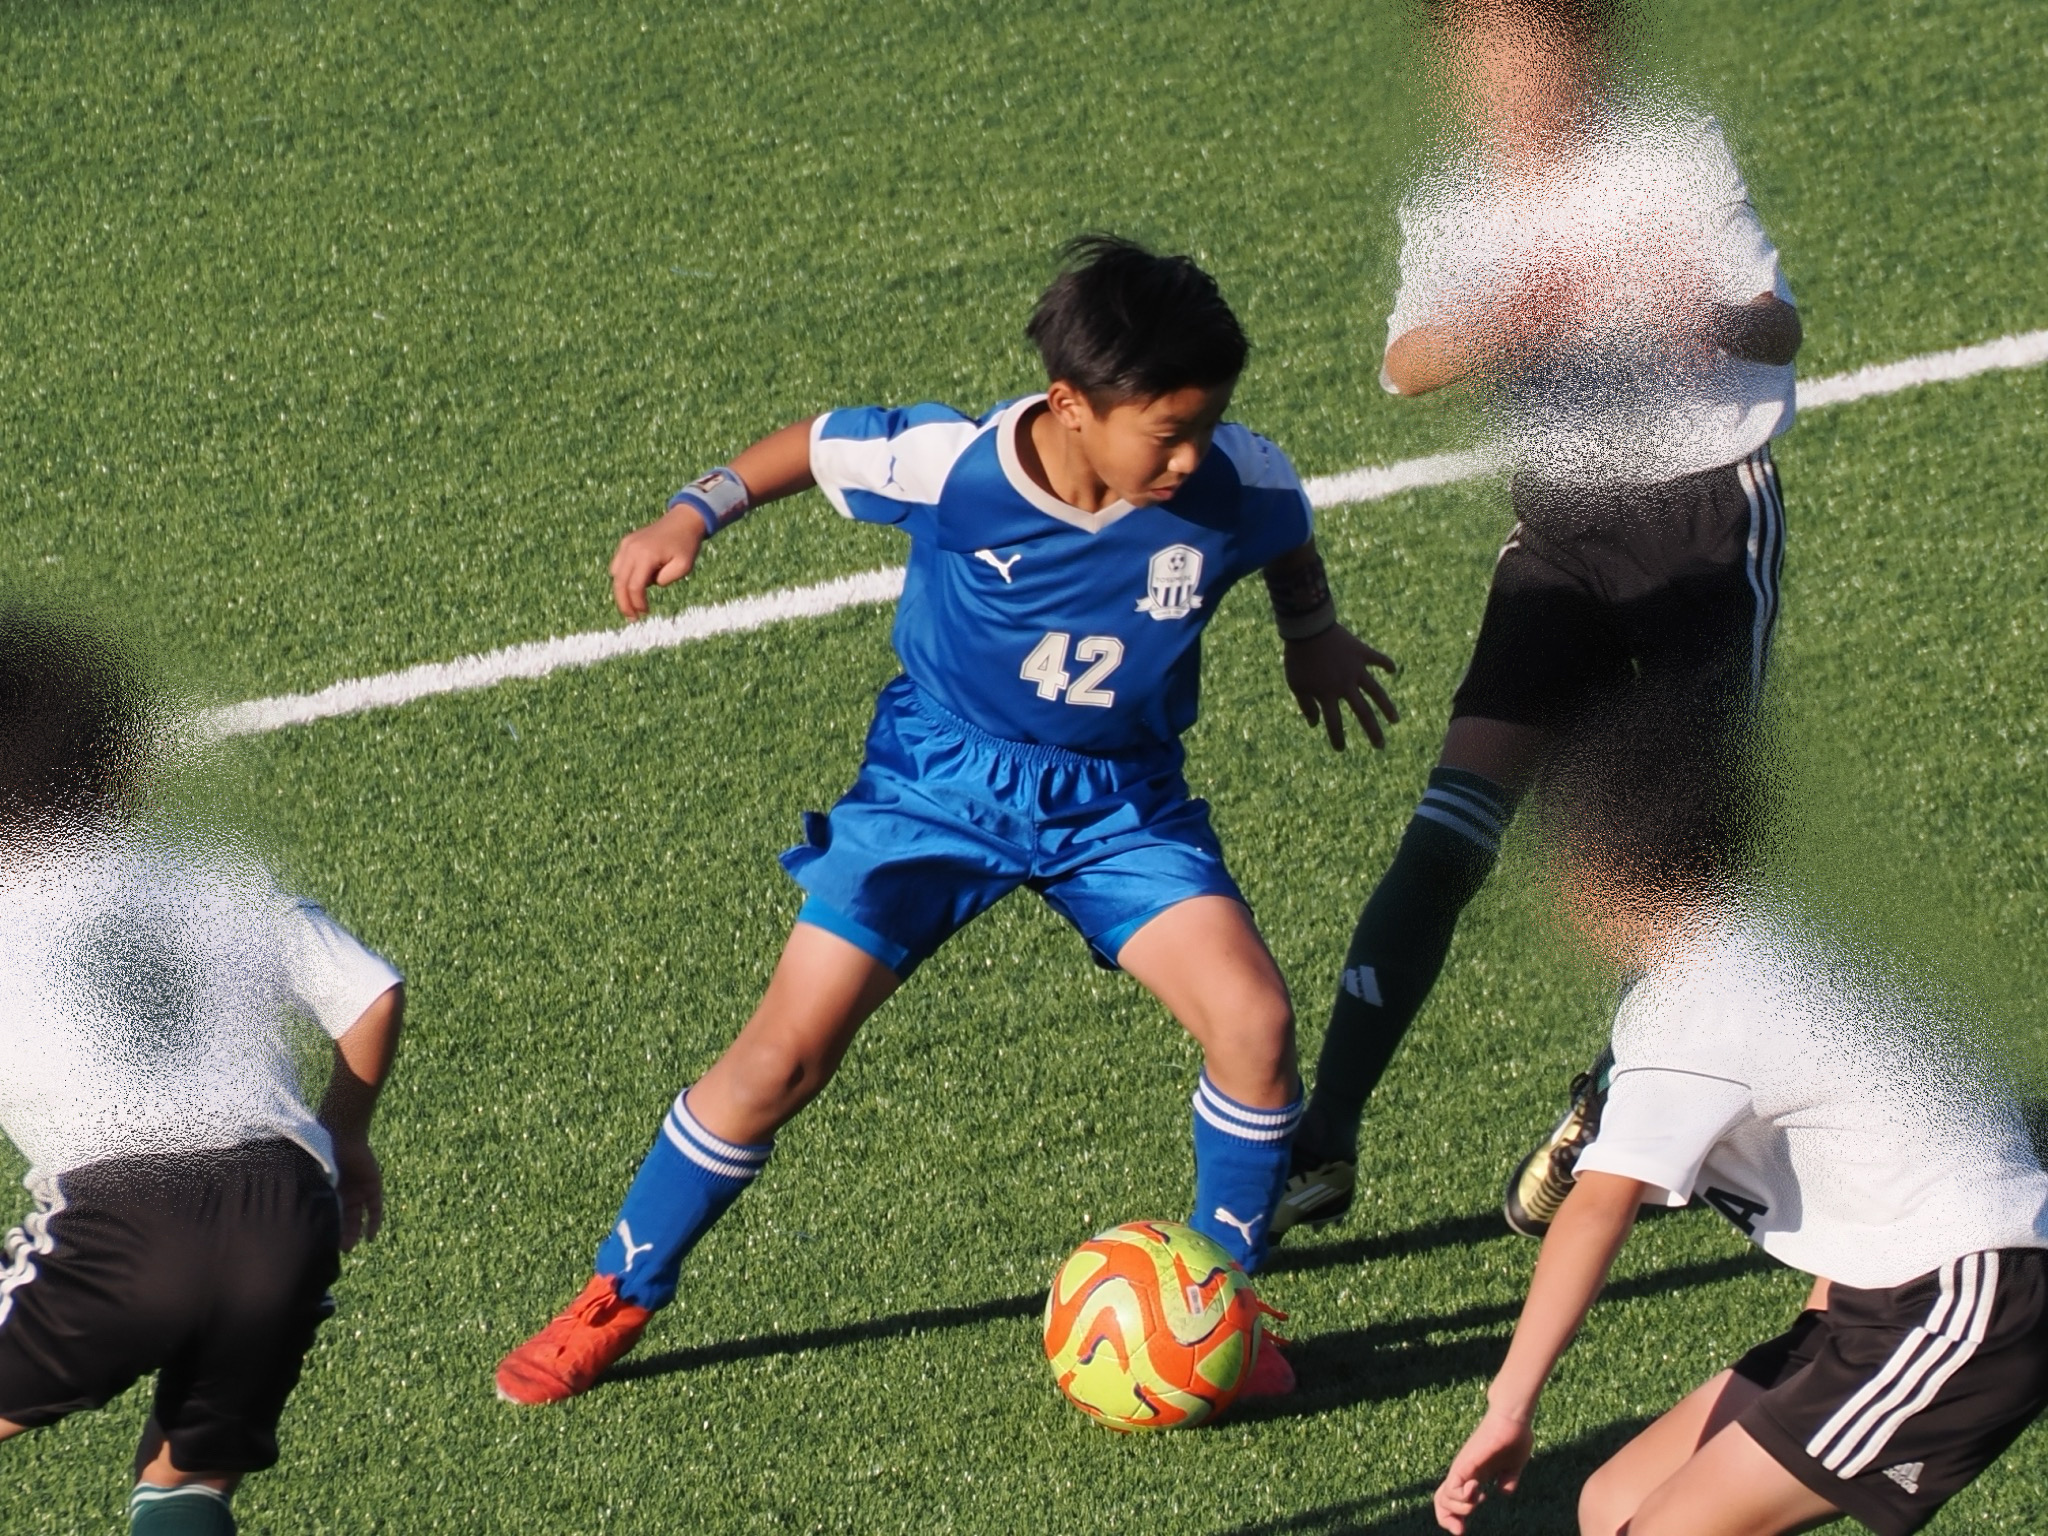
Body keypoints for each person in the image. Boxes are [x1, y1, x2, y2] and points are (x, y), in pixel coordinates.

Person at [493, 234, 1399, 1406]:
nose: (1190, 456)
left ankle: (1214, 1306)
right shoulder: (950, 465)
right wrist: (690, 514)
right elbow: (811, 446)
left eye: (1206, 426)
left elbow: (1281, 531)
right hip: (936, 788)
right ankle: (618, 1289)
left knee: (1254, 1023)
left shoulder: (1235, 478)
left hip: (1118, 803)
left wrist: (1310, 635)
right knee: (781, 1057)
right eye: (1166, 433)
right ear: (1069, 405)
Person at [1277, 0, 1803, 1239]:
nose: (1502, 74)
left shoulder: (1669, 152)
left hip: (1702, 527)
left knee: (1689, 873)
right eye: (1478, 52)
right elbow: (1404, 363)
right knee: (1448, 831)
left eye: (1523, 45)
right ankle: (1321, 1137)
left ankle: (1609, 1109)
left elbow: (1776, 324)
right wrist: (1511, 318)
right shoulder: (1455, 198)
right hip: (1560, 532)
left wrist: (1701, 321)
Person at [1431, 700, 2048, 1536]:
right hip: (1881, 1290)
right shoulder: (1774, 934)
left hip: (1966, 1296)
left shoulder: (1687, 1003)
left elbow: (1597, 1208)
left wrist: (1508, 1407)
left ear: (1595, 875)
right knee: (1612, 1507)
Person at [0, 608, 405, 1536]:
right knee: (187, 1479)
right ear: (121, 774)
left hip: (122, 1223)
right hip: (285, 1211)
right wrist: (346, 1137)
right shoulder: (214, 884)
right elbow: (372, 996)